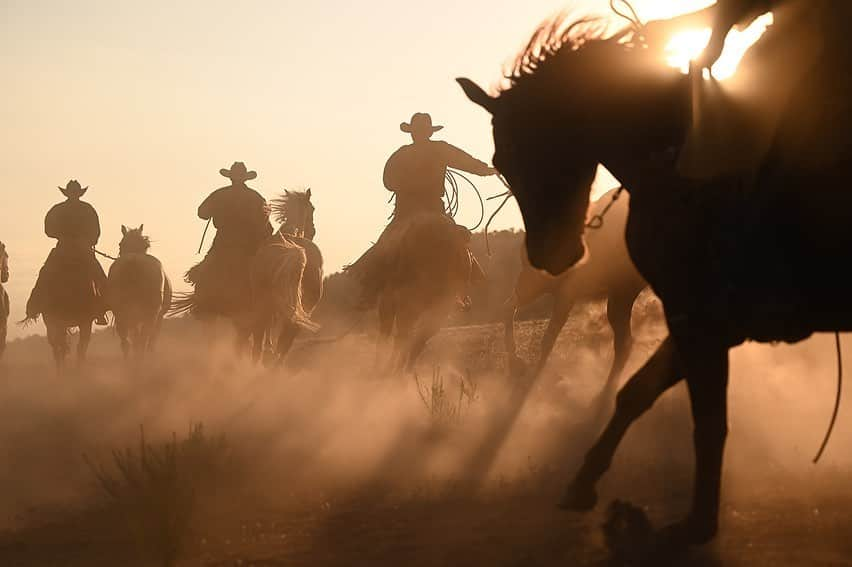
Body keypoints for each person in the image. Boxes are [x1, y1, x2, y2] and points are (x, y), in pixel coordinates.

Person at [349, 112, 499, 308]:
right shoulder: (440, 149)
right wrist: (488, 170)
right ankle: (465, 285)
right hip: (434, 210)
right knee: (457, 241)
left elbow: (388, 182)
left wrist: (406, 185)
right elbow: (467, 162)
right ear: (428, 132)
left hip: (405, 213)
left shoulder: (400, 154)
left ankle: (369, 292)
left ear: (413, 133)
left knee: (385, 244)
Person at [186, 161, 273, 316]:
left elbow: (202, 213)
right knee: (267, 276)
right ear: (246, 178)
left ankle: (201, 306)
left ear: (230, 178)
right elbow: (268, 227)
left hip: (223, 244)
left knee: (204, 271)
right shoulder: (255, 197)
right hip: (250, 247)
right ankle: (268, 307)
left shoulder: (220, 194)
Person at [26, 180, 108, 325]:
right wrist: (90, 241)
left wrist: (62, 235)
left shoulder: (57, 209)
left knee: (45, 273)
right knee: (99, 275)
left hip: (63, 249)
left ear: (67, 193)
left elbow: (48, 230)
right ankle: (101, 310)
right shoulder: (88, 209)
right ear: (79, 193)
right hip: (83, 250)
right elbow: (96, 231)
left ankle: (34, 305)